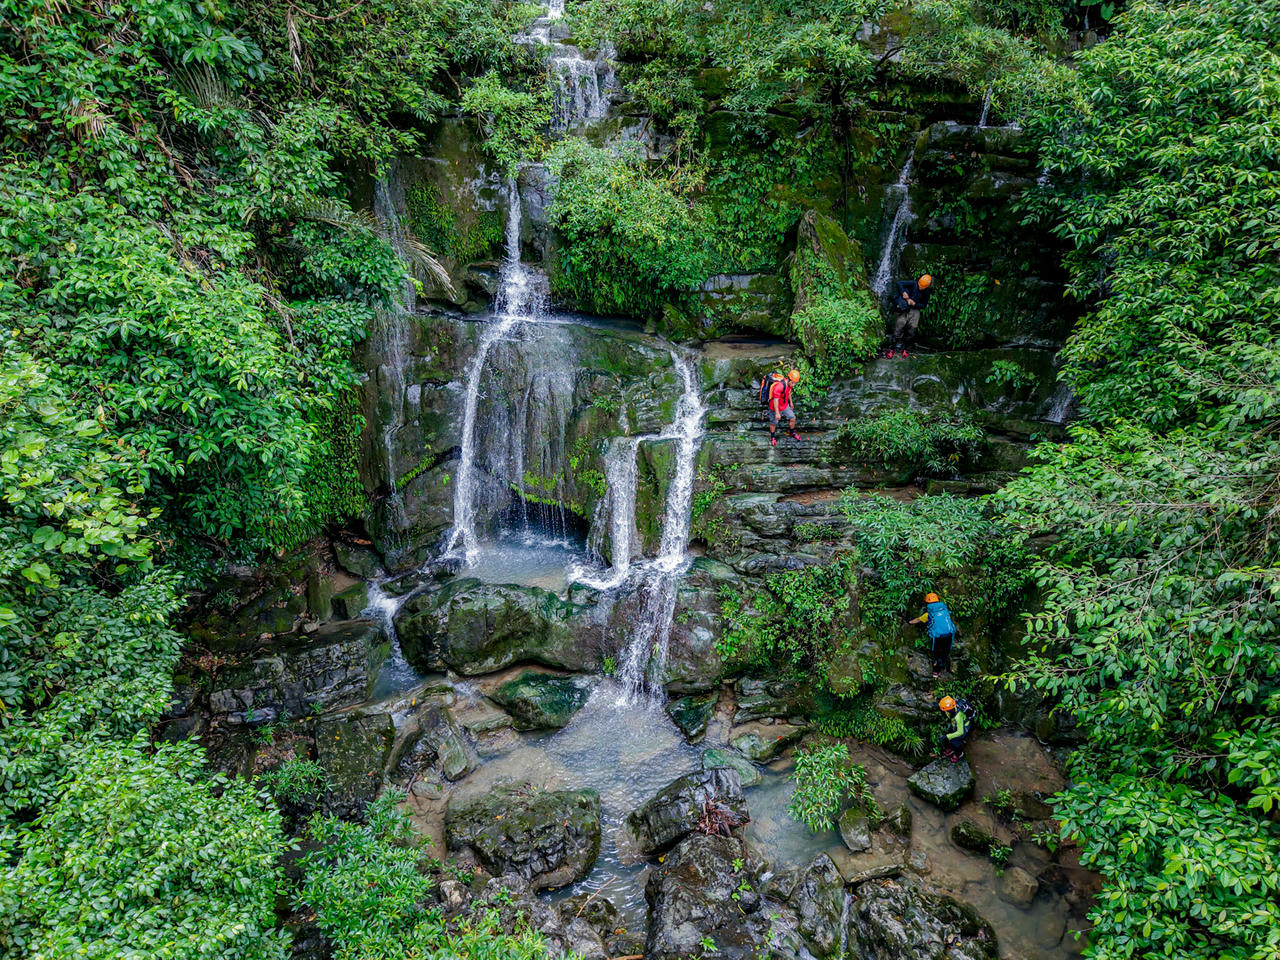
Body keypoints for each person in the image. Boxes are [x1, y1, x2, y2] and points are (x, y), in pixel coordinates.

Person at [909, 591, 956, 677]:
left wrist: (909, 622)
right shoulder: (945, 610)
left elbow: (918, 620)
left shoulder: (929, 614)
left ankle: (936, 671)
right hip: (949, 633)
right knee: (945, 651)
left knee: (937, 652)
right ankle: (942, 666)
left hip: (939, 636)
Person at [887, 273, 932, 358]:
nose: (920, 287)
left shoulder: (926, 292)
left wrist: (915, 304)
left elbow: (924, 305)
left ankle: (905, 349)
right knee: (899, 327)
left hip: (915, 310)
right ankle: (892, 349)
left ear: (926, 287)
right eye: (920, 285)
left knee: (911, 330)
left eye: (922, 286)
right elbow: (899, 283)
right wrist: (903, 292)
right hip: (904, 308)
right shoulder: (913, 283)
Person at [760, 368, 802, 447]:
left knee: (792, 418)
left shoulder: (789, 384)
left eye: (795, 383)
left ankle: (792, 433)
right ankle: (773, 437)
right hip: (774, 407)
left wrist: (791, 402)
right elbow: (775, 400)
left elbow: (789, 392)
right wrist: (777, 413)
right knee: (773, 423)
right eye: (793, 383)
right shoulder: (779, 386)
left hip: (784, 405)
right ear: (789, 379)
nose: (794, 385)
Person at [938, 695, 971, 762]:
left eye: (945, 710)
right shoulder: (953, 707)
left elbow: (960, 732)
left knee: (955, 740)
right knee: (949, 734)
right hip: (957, 724)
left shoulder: (958, 716)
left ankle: (959, 754)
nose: (945, 712)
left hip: (964, 727)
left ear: (949, 710)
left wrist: (947, 736)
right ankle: (951, 749)